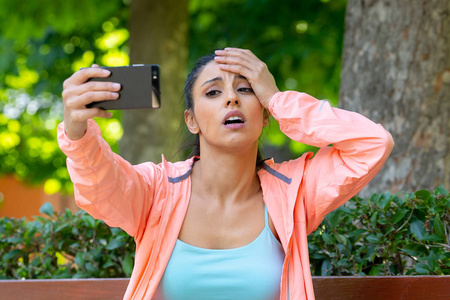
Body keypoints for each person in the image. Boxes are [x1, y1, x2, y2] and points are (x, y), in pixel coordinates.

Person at [58, 48, 394, 300]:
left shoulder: (295, 191)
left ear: (264, 116)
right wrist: (77, 132)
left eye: (246, 89)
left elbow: (372, 144)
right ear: (192, 120)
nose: (231, 98)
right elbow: (101, 188)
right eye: (213, 92)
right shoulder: (156, 191)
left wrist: (278, 99)